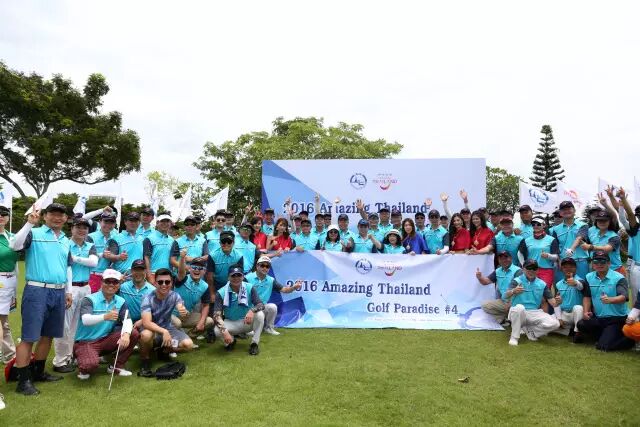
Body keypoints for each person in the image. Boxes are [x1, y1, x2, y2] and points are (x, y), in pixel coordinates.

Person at [10, 203, 73, 395]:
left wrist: (68, 291)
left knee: (48, 335)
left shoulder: (65, 239)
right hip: (37, 291)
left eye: (61, 215)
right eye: (53, 214)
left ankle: (38, 372)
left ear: (65, 218)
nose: (57, 218)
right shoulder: (34, 233)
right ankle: (23, 381)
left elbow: (67, 266)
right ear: (45, 216)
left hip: (59, 291)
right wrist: (29, 223)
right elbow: (14, 245)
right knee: (29, 337)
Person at [52, 217, 98, 373]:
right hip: (69, 288)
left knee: (77, 325)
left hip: (85, 288)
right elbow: (66, 267)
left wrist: (74, 258)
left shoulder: (90, 245)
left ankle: (69, 356)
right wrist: (68, 291)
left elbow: (94, 262)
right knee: (64, 325)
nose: (82, 230)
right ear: (72, 228)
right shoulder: (65, 243)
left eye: (85, 228)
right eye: (78, 227)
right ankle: (60, 361)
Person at [73, 269, 139, 379]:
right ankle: (81, 359)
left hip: (105, 340)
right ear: (102, 282)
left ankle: (116, 366)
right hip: (86, 342)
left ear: (119, 284)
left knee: (133, 333)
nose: (111, 285)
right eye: (108, 281)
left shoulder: (120, 301)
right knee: (89, 366)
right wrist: (105, 317)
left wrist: (126, 335)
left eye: (115, 282)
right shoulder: (89, 299)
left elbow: (127, 320)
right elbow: (85, 320)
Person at [138, 268, 192, 377]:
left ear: (171, 283)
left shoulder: (175, 296)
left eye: (167, 282)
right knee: (146, 335)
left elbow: (181, 308)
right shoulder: (147, 298)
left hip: (167, 328)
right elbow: (147, 323)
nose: (164, 285)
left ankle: (164, 350)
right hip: (152, 329)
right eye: (160, 282)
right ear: (155, 283)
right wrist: (164, 331)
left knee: (188, 345)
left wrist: (184, 312)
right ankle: (145, 362)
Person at [576, 251, 634, 351]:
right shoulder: (589, 277)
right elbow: (587, 296)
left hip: (616, 319)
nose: (599, 264)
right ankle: (606, 336)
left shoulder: (618, 278)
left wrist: (611, 300)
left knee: (603, 346)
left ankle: (629, 341)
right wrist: (585, 312)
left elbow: (623, 297)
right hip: (599, 318)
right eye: (596, 262)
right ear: (593, 264)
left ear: (609, 263)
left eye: (603, 261)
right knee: (581, 324)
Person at [503, 259, 560, 346]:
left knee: (555, 324)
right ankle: (514, 337)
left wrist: (558, 302)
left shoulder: (542, 284)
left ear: (537, 270)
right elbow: (504, 296)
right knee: (519, 308)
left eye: (534, 268)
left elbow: (553, 303)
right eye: (528, 268)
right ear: (523, 269)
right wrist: (513, 291)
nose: (531, 271)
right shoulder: (516, 281)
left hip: (534, 312)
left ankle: (532, 332)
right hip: (518, 312)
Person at [212, 266, 265, 355]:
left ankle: (254, 344)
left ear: (243, 277)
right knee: (217, 330)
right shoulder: (221, 292)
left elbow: (260, 304)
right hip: (231, 322)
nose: (236, 278)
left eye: (239, 275)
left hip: (247, 321)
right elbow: (216, 315)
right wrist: (225, 332)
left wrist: (252, 311)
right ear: (228, 277)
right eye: (233, 276)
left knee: (260, 314)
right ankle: (231, 342)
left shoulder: (249, 287)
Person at [245, 256, 302, 335]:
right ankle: (247, 328)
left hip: (262, 306)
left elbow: (284, 290)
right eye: (262, 265)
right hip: (248, 308)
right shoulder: (247, 278)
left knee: (272, 307)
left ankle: (269, 328)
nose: (265, 268)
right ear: (257, 266)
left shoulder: (271, 280)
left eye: (267, 266)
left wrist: (294, 287)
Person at [172, 254, 213, 341]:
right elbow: (181, 271)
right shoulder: (183, 278)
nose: (197, 270)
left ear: (204, 271)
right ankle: (174, 340)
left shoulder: (205, 286)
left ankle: (189, 337)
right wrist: (182, 258)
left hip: (187, 316)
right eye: (194, 267)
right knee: (177, 323)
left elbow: (206, 305)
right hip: (171, 315)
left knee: (209, 321)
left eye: (200, 268)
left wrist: (201, 322)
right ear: (189, 268)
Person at [476, 251, 522, 324]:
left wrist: (510, 303)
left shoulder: (518, 271)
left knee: (516, 310)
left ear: (511, 258)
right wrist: (479, 277)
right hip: (504, 301)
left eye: (506, 257)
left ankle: (511, 317)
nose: (504, 260)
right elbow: (485, 282)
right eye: (501, 258)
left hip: (516, 302)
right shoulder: (498, 271)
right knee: (485, 305)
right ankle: (505, 318)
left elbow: (520, 290)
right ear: (498, 260)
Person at [551, 201, 590, 280]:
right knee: (562, 286)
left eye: (569, 209)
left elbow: (579, 238)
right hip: (564, 263)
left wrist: (571, 250)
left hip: (580, 262)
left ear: (574, 210)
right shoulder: (556, 229)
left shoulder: (583, 225)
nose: (566, 211)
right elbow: (556, 248)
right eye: (564, 210)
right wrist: (558, 260)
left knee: (582, 285)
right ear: (560, 213)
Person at [518, 216, 559, 287]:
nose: (535, 226)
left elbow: (556, 257)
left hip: (546, 270)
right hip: (530, 270)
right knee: (531, 291)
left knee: (544, 291)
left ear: (544, 225)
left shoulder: (551, 239)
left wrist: (548, 256)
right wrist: (524, 265)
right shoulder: (527, 240)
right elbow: (519, 253)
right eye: (533, 224)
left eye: (538, 224)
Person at [551, 257, 585, 341]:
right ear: (561, 269)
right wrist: (559, 318)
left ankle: (577, 333)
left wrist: (575, 283)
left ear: (575, 268)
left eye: (571, 266)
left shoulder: (581, 280)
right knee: (546, 323)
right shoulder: (558, 284)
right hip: (564, 314)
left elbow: (581, 286)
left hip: (576, 315)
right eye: (565, 267)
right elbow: (557, 303)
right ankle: (569, 332)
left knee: (578, 308)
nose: (568, 269)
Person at [0, 205, 17, 364]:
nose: (1, 216)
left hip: (10, 282)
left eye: (4, 214)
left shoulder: (12, 237)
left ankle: (9, 354)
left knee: (3, 321)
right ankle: (9, 354)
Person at [86, 211, 119, 292]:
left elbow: (114, 257)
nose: (108, 225)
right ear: (100, 222)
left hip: (109, 277)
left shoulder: (116, 238)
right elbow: (85, 255)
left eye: (111, 223)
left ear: (114, 224)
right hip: (92, 275)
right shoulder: (90, 237)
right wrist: (101, 255)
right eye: (106, 222)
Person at [618, 188, 640, 305]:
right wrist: (622, 203)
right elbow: (625, 217)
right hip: (637, 267)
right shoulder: (635, 229)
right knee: (636, 297)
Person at [118, 259, 155, 328]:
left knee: (146, 333)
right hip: (124, 322)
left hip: (144, 322)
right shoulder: (123, 287)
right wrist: (118, 282)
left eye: (141, 270)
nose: (138, 273)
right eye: (136, 270)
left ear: (145, 271)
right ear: (131, 271)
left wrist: (142, 321)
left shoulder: (152, 290)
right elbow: (106, 294)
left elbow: (156, 310)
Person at [206, 230, 244, 296]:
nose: (226, 244)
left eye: (229, 242)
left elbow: (240, 275)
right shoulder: (212, 256)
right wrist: (212, 294)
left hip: (233, 284)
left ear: (233, 243)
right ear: (220, 243)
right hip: (217, 285)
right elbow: (210, 277)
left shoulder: (239, 256)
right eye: (223, 242)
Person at [107, 212, 145, 276]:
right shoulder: (116, 238)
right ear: (125, 222)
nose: (133, 223)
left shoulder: (142, 239)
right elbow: (109, 257)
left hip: (138, 276)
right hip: (121, 276)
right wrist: (118, 257)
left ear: (139, 223)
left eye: (136, 221)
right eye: (131, 220)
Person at [143, 212, 175, 283]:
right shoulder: (149, 238)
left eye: (167, 221)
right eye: (162, 221)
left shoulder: (172, 240)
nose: (165, 223)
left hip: (168, 275)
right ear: (157, 223)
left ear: (170, 223)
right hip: (154, 274)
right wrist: (149, 276)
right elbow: (146, 258)